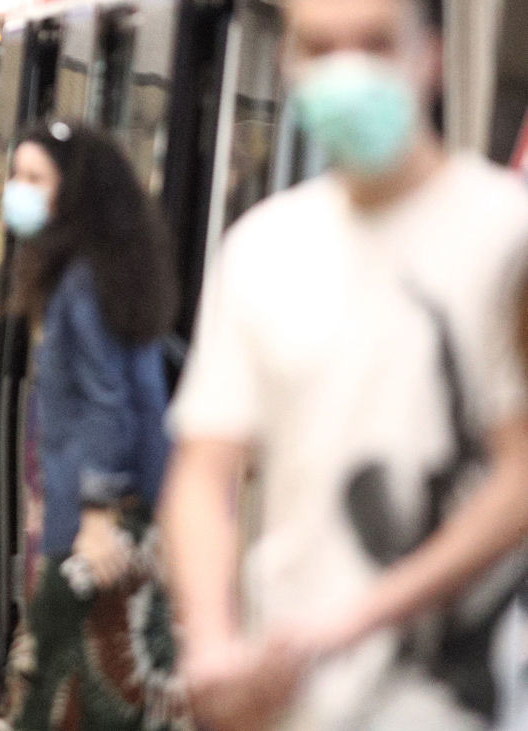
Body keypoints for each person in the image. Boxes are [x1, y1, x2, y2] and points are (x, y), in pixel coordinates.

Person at [161, 0, 528, 728]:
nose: (348, 71)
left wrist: (357, 620)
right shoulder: (261, 251)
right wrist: (210, 640)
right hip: (292, 694)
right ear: (287, 65)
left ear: (428, 55)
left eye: (374, 44)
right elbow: (204, 468)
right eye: (321, 49)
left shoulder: (506, 236)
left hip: (466, 698)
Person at [0, 122, 185, 729]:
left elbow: (106, 403)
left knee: (57, 685)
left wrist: (98, 514)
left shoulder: (81, 281)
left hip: (100, 525)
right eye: (15, 176)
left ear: (73, 192)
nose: (17, 191)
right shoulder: (102, 272)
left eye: (34, 178)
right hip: (102, 511)